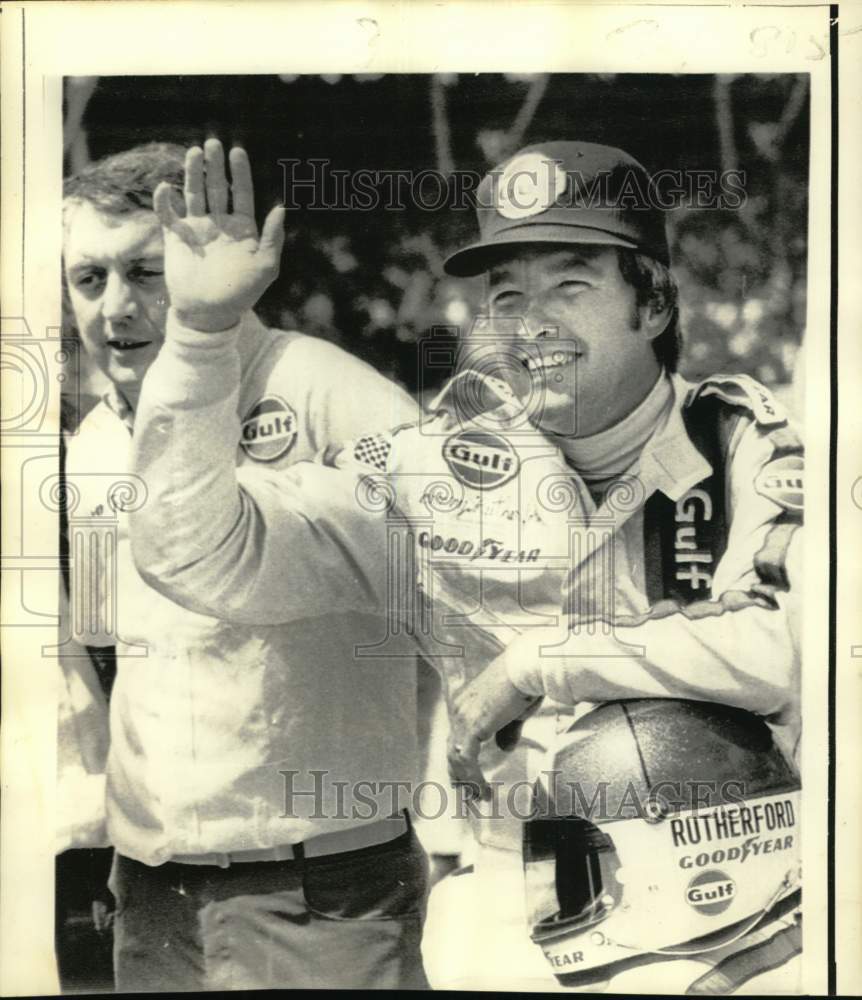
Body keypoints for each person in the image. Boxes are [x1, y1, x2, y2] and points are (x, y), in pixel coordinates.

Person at [128, 139, 803, 991]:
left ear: (656, 302)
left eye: (570, 283)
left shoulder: (742, 436)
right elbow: (194, 552)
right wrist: (199, 338)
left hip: (740, 910)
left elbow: (794, 645)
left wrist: (535, 664)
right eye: (506, 294)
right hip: (514, 915)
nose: (532, 322)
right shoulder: (438, 469)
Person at [62, 139, 429, 991]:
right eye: (90, 279)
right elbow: (108, 648)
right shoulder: (95, 446)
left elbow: (453, 587)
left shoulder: (327, 390)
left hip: (320, 892)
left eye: (148, 273)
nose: (115, 307)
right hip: (153, 897)